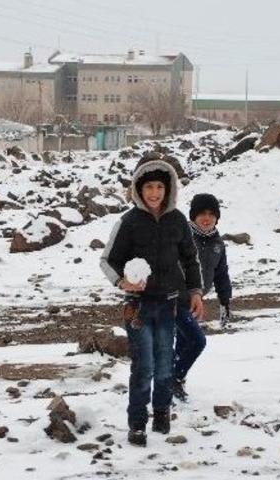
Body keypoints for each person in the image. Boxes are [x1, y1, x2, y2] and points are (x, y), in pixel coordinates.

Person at [100, 159, 204, 447]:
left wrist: (195, 292)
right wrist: (122, 282)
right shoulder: (129, 222)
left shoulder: (178, 220)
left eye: (160, 186)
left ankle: (161, 413)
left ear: (168, 188)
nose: (155, 192)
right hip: (138, 307)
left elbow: (190, 258)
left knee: (165, 364)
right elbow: (108, 260)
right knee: (144, 365)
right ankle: (137, 424)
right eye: (149, 187)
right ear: (139, 188)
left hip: (169, 304)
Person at [172, 193, 232, 402]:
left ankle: (171, 382)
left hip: (195, 300)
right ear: (193, 217)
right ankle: (173, 379)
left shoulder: (218, 244)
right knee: (197, 341)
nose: (206, 218)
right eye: (201, 214)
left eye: (211, 214)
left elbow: (221, 274)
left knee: (182, 342)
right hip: (177, 298)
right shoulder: (182, 236)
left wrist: (225, 301)